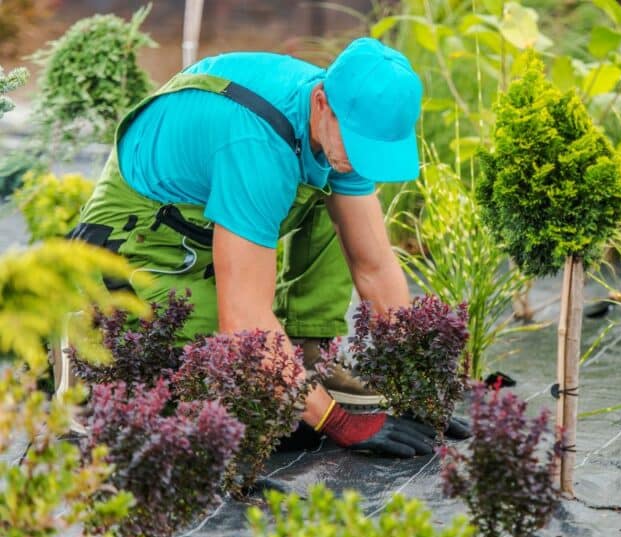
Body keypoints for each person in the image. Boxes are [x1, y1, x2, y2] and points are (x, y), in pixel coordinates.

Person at [68, 38, 462, 457]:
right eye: (358, 144)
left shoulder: (338, 128)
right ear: (322, 101)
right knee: (212, 403)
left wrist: (418, 389)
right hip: (137, 240)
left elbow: (375, 267)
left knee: (341, 204)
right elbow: (243, 320)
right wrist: (337, 422)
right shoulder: (256, 144)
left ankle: (308, 357)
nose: (362, 160)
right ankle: (80, 338)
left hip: (205, 220)